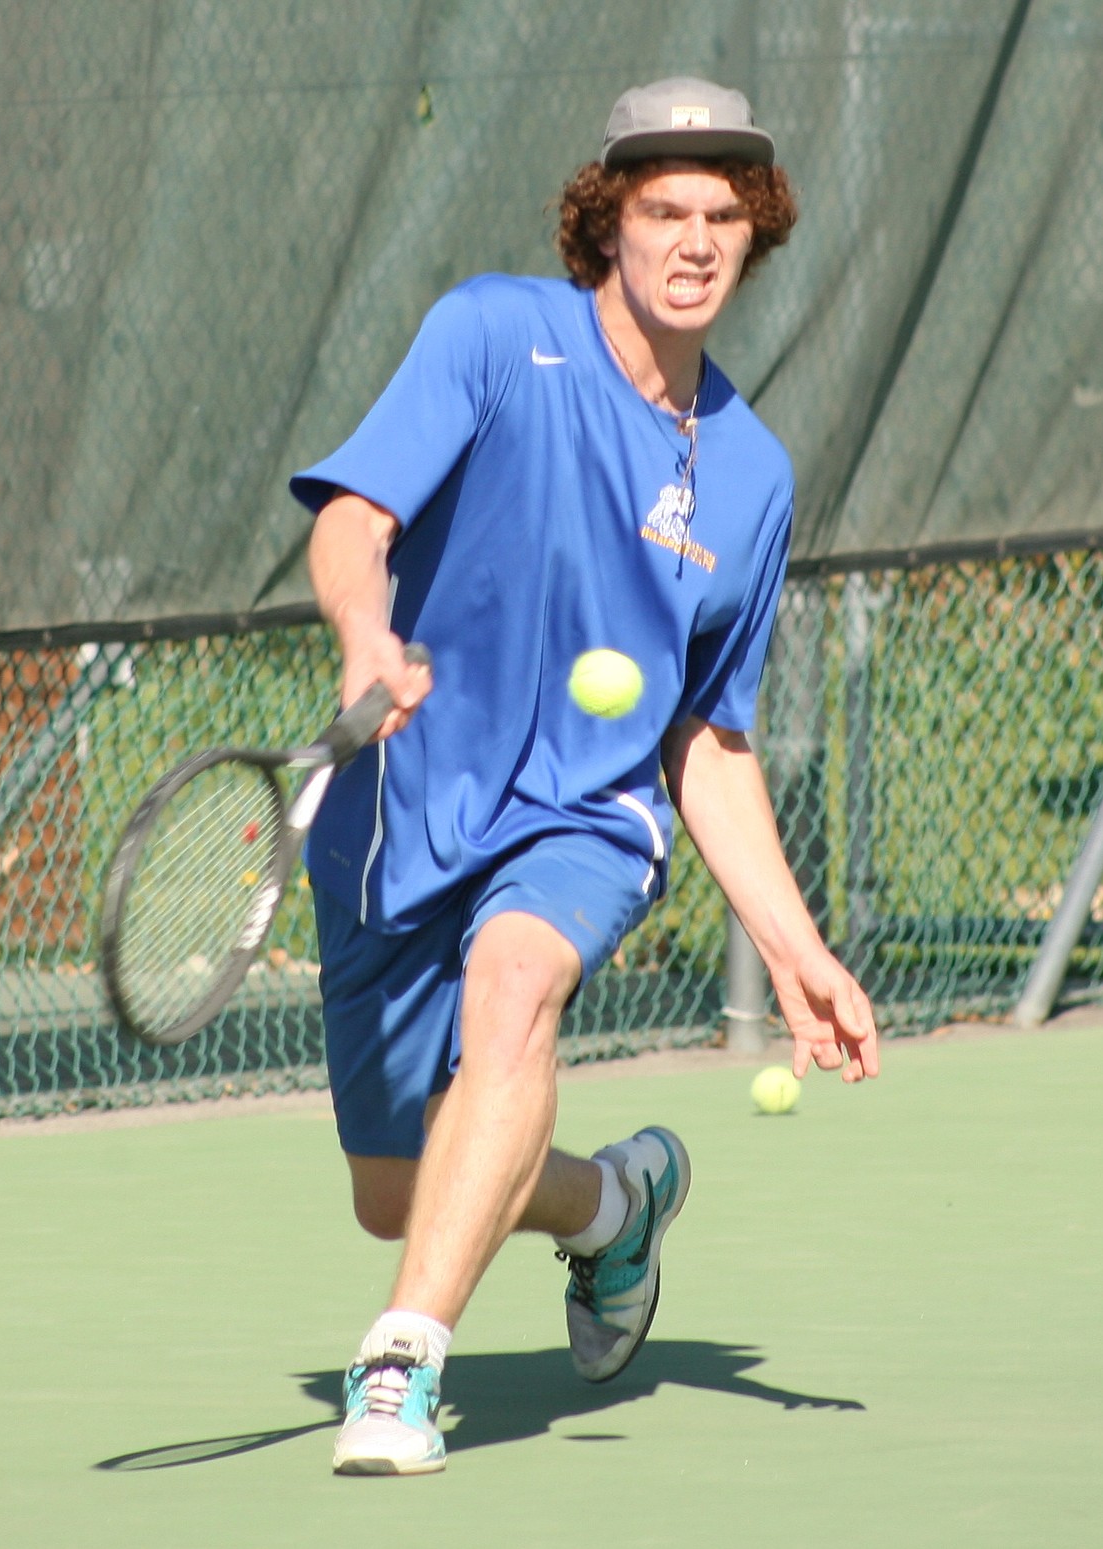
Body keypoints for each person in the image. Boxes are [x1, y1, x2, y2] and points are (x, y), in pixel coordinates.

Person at [289, 76, 880, 1477]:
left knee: (514, 989)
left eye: (723, 216)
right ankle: (614, 1205)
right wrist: (365, 630)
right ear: (603, 220)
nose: (693, 240)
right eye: (663, 208)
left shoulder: (750, 473)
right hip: (403, 802)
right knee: (400, 1190)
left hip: (582, 813)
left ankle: (399, 1366)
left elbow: (704, 737)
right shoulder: (494, 334)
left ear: (757, 233)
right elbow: (357, 519)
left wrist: (795, 949)